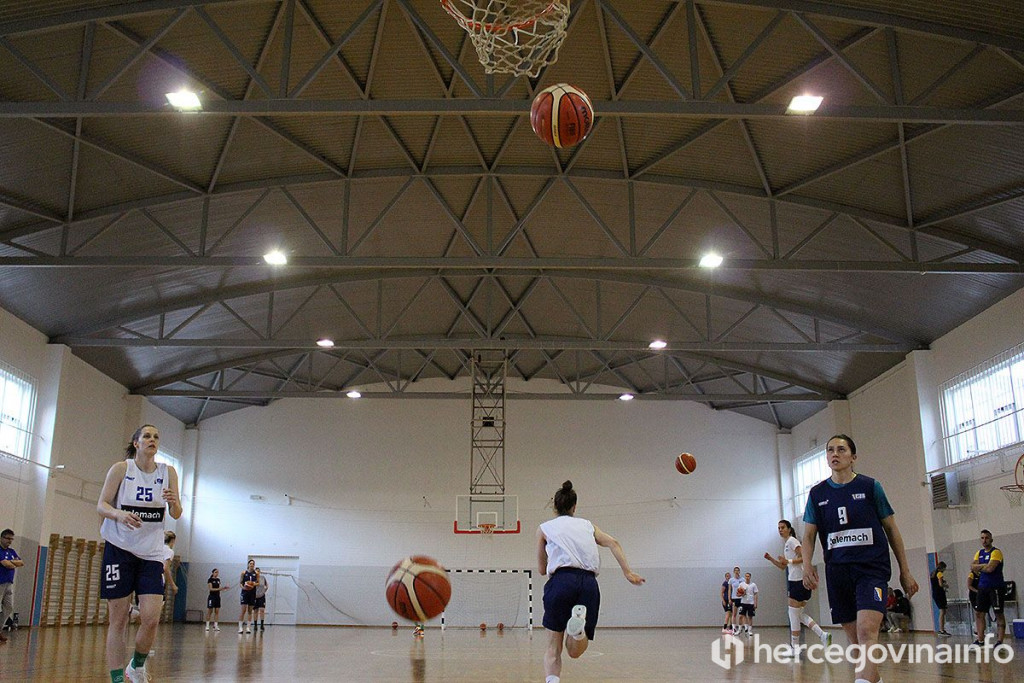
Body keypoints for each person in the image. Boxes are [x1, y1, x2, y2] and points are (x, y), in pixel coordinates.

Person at [801, 434, 918, 683]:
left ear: (853, 457)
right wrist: (807, 565)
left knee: (867, 631)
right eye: (830, 450)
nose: (835, 454)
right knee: (855, 642)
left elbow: (892, 529)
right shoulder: (817, 494)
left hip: (871, 569)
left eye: (841, 449)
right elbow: (809, 535)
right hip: (837, 572)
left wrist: (905, 571)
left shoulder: (870, 487)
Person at [97, 424, 182, 683]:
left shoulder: (168, 472)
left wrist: (173, 502)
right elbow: (101, 505)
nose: (152, 439)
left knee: (151, 618)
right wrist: (119, 514)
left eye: (156, 436)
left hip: (151, 554)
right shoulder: (122, 469)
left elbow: (177, 513)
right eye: (147, 436)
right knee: (119, 620)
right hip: (120, 549)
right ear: (136, 443)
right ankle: (117, 678)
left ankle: (136, 666)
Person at [537, 480, 644, 683]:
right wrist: (628, 573)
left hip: (560, 582)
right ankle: (577, 632)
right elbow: (613, 543)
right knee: (575, 652)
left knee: (553, 647)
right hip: (588, 583)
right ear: (574, 507)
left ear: (555, 507)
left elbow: (542, 569)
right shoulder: (588, 526)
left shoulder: (544, 528)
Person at [765, 519, 831, 650]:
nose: (780, 530)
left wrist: (789, 561)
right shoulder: (787, 544)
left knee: (793, 614)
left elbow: (805, 556)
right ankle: (823, 635)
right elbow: (783, 567)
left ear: (789, 529)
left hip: (798, 581)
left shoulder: (792, 541)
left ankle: (795, 647)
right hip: (797, 581)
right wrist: (771, 559)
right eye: (778, 528)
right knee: (799, 615)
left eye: (783, 527)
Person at [971, 529, 1006, 646]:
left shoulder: (996, 552)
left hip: (995, 587)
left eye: (986, 538)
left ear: (991, 539)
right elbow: (972, 566)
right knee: (979, 613)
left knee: (998, 613)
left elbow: (991, 568)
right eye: (982, 538)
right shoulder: (979, 553)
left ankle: (1000, 641)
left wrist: (979, 567)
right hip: (982, 587)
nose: (984, 540)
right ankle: (980, 640)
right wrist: (984, 566)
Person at [0, 529, 25, 644]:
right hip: (0, 582)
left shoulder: (12, 551)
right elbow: (6, 564)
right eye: (8, 538)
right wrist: (13, 562)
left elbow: (21, 562)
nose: (10, 541)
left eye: (11, 539)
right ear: (2, 538)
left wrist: (11, 562)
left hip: (9, 583)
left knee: (8, 607)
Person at [930, 561, 951, 636]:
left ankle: (942, 628)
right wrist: (945, 585)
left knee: (942, 611)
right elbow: (940, 584)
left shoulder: (933, 573)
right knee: (942, 611)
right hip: (939, 594)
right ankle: (942, 629)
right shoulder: (939, 574)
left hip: (935, 594)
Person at [238, 559, 257, 634]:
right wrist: (244, 587)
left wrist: (252, 584)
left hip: (252, 593)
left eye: (253, 564)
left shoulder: (256, 573)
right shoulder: (243, 573)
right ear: (248, 564)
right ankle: (240, 627)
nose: (252, 565)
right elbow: (240, 583)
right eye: (250, 563)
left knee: (250, 611)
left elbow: (258, 583)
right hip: (245, 593)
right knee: (243, 610)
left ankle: (248, 627)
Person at [728, 566, 743, 634]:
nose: (737, 571)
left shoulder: (742, 579)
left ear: (739, 571)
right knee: (734, 614)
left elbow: (745, 589)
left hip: (741, 599)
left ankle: (740, 628)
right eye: (735, 570)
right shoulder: (731, 580)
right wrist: (729, 599)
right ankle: (734, 629)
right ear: (734, 572)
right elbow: (729, 590)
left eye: (738, 570)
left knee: (741, 615)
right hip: (734, 598)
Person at [253, 567, 269, 632]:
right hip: (255, 596)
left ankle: (262, 625)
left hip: (261, 596)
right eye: (256, 571)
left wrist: (264, 591)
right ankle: (255, 625)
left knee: (262, 610)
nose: (257, 572)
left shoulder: (263, 578)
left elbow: (267, 585)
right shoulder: (253, 578)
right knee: (255, 611)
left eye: (258, 571)